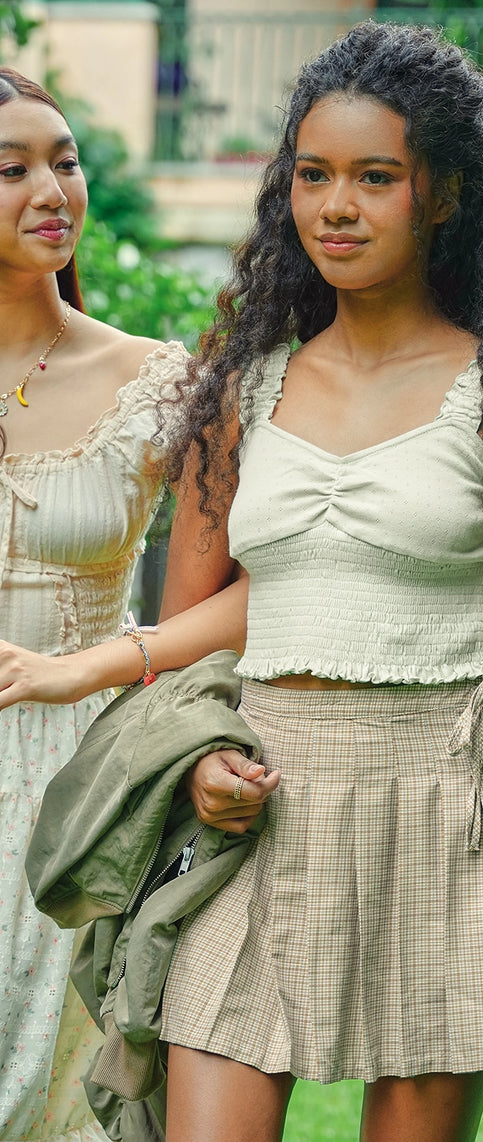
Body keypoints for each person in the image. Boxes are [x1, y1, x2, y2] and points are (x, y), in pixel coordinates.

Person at [0, 23, 483, 1142]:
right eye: (314, 175)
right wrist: (203, 763)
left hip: (444, 814)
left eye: (377, 176)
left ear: (444, 193)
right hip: (256, 818)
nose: (336, 205)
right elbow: (187, 638)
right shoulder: (242, 389)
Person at [0, 68, 194, 1142]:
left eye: (65, 160)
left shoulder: (156, 380)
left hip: (85, 776)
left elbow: (240, 592)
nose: (52, 189)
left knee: (67, 1096)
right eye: (12, 168)